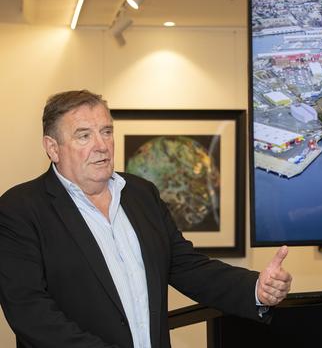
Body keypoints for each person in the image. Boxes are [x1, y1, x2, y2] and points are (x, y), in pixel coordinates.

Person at [0, 90, 292, 348]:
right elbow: (30, 313)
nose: (101, 145)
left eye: (106, 131)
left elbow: (186, 266)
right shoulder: (21, 209)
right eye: (84, 135)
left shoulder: (141, 194)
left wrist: (255, 288)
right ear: (53, 148)